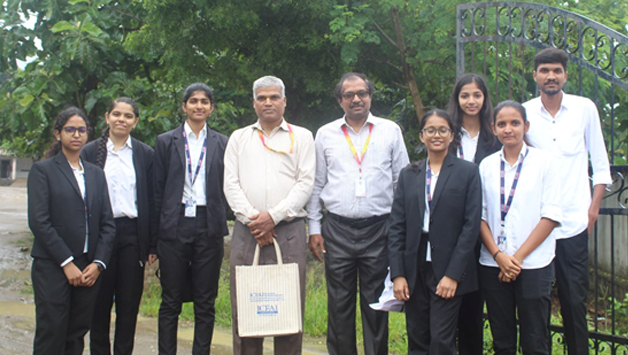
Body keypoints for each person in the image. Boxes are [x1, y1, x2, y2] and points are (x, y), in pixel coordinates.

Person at [307, 72, 409, 355]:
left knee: (377, 303)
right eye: (349, 95)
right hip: (336, 229)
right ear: (340, 100)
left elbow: (402, 183)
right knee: (339, 304)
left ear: (370, 96)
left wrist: (400, 231)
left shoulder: (390, 130)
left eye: (362, 93)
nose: (356, 99)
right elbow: (317, 184)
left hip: (379, 228)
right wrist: (314, 227)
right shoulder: (325, 134)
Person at [523, 48, 612, 355]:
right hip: (535, 227)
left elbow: (600, 165)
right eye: (545, 70)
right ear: (535, 75)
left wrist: (593, 210)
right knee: (535, 303)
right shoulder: (524, 113)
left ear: (565, 75)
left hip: (573, 224)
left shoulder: (584, 108)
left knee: (574, 301)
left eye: (557, 70)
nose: (551, 76)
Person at [223, 75, 316, 355]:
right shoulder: (239, 138)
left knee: (287, 308)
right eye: (262, 98)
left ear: (284, 101)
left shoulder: (302, 136)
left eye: (274, 97)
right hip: (247, 231)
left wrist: (272, 217)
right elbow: (230, 183)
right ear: (254, 103)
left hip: (287, 232)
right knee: (246, 308)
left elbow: (306, 183)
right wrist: (255, 220)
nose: (268, 102)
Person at [388, 109, 482, 354]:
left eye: (443, 130)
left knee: (441, 340)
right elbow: (397, 226)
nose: (436, 135)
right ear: (421, 136)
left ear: (452, 136)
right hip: (415, 268)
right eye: (431, 130)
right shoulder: (409, 174)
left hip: (448, 268)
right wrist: (398, 274)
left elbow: (471, 227)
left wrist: (453, 274)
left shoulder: (467, 172)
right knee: (417, 337)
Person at [28, 106, 116, 355]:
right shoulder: (43, 171)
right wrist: (66, 262)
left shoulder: (96, 174)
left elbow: (108, 224)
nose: (76, 135)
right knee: (52, 330)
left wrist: (98, 263)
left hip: (88, 267)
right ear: (58, 134)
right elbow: (39, 222)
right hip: (53, 265)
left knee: (77, 332)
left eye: (82, 130)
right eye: (70, 130)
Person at [479, 100, 561, 354]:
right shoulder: (486, 166)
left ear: (526, 126)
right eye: (502, 124)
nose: (508, 129)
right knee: (502, 338)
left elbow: (551, 216)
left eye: (515, 123)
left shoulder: (546, 162)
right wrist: (499, 256)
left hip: (534, 263)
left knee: (535, 338)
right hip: (493, 264)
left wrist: (516, 259)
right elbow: (479, 217)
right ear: (493, 128)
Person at [153, 83, 229, 355]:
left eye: (204, 101)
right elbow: (157, 190)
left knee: (205, 302)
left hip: (209, 225)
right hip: (174, 226)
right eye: (193, 101)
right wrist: (154, 240)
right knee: (170, 300)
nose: (199, 106)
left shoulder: (222, 142)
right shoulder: (165, 141)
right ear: (184, 106)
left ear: (211, 107)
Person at [81, 97, 156, 355]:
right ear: (107, 117)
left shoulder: (145, 154)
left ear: (135, 122)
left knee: (128, 306)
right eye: (116, 114)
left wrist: (151, 244)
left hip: (132, 236)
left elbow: (152, 200)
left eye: (127, 116)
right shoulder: (90, 152)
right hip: (100, 235)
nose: (121, 119)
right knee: (98, 306)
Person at [446, 73, 501, 354]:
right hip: (451, 232)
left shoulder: (496, 136)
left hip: (486, 230)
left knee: (476, 309)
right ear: (457, 99)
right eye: (465, 95)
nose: (471, 101)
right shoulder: (446, 134)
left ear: (484, 98)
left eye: (476, 95)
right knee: (449, 310)